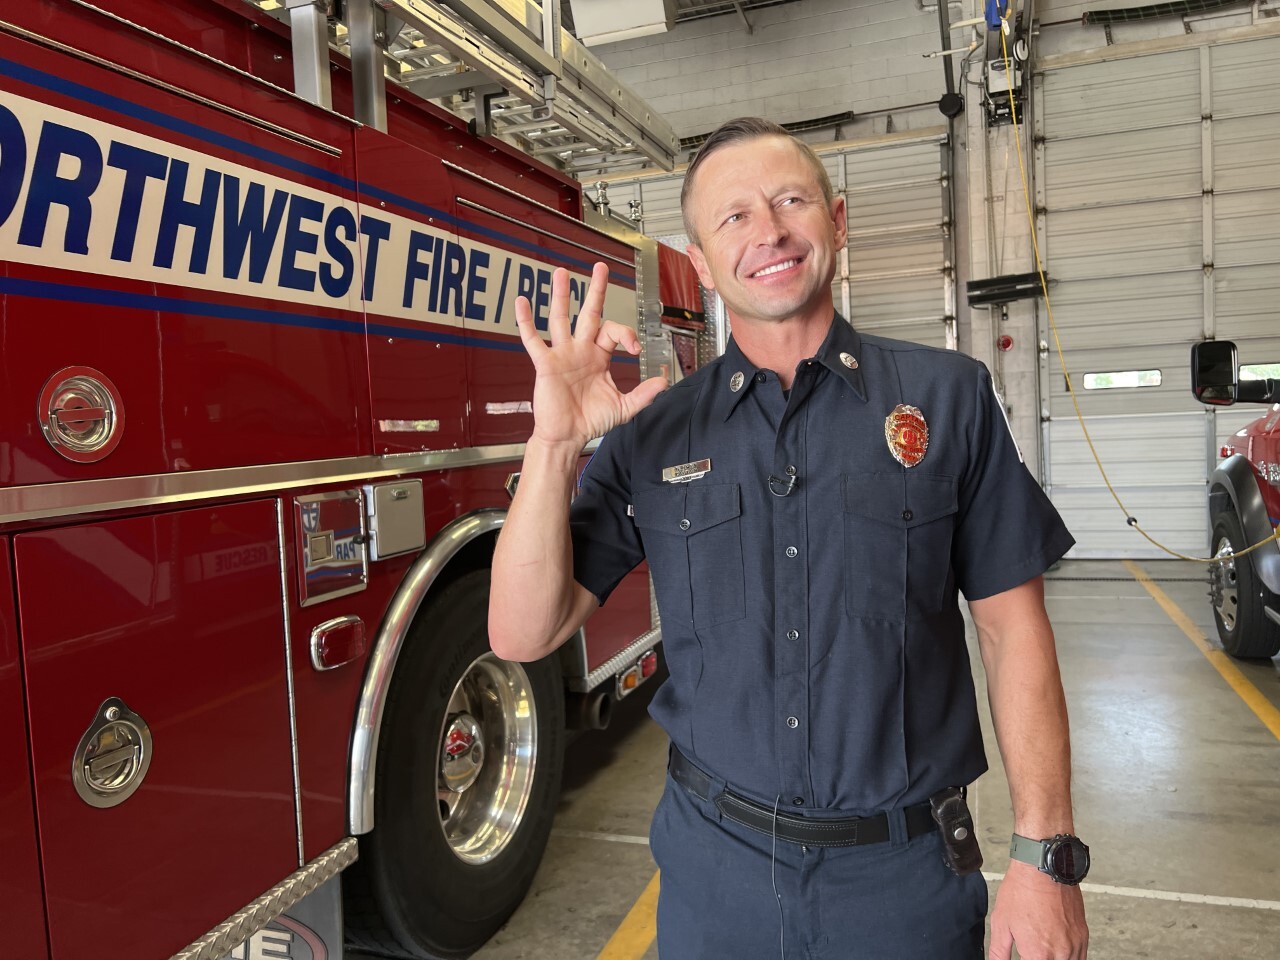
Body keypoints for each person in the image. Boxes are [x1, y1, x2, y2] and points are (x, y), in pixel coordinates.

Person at [489, 117, 1089, 960]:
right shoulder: (654, 432)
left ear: (836, 222)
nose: (767, 230)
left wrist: (1046, 858)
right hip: (714, 877)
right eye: (732, 216)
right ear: (699, 265)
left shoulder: (947, 399)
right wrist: (552, 446)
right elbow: (523, 630)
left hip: (903, 880)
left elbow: (1011, 628)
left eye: (790, 200)